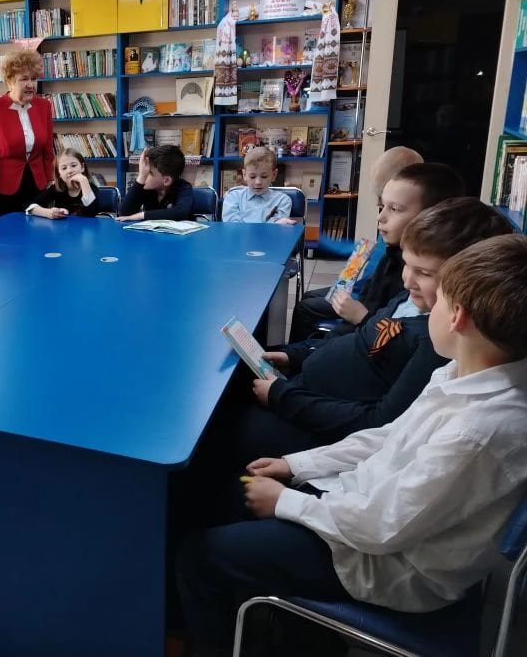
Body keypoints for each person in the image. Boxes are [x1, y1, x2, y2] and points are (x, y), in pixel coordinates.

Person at [176, 233, 527, 656]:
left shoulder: (477, 431)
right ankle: (290, 630)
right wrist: (296, 465)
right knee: (219, 495)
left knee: (199, 556)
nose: (425, 306)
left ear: (458, 318)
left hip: (384, 564)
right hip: (356, 508)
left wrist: (285, 502)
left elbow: (381, 528)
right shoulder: (461, 371)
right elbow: (387, 437)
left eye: (438, 302)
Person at [239, 198, 512, 463]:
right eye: (407, 264)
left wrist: (282, 398)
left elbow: (380, 422)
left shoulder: (439, 342)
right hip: (302, 391)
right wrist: (296, 356)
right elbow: (358, 338)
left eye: (425, 273)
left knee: (230, 426)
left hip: (320, 430)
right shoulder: (408, 301)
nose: (407, 280)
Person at [288, 160, 464, 342]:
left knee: (305, 308)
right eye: (382, 205)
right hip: (357, 318)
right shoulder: (391, 251)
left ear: (430, 217)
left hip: (360, 324)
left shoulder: (408, 276)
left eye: (394, 208)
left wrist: (361, 318)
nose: (380, 217)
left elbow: (385, 338)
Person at [0, 49, 54, 217]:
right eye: (24, 79)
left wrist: (51, 182)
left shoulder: (44, 106)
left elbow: (48, 151)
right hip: (5, 190)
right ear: (10, 81)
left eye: (34, 79)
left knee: (39, 231)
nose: (30, 85)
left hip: (38, 188)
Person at [116, 145, 194, 222]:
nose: (144, 174)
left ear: (166, 180)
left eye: (149, 172)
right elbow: (124, 213)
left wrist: (142, 215)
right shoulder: (146, 187)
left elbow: (181, 213)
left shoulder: (183, 187)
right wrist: (141, 178)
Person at [221, 146, 295, 224]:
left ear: (274, 175)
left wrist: (277, 224)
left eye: (264, 176)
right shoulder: (233, 197)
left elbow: (275, 228)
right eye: (252, 177)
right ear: (244, 175)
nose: (258, 182)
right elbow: (232, 225)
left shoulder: (283, 200)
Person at [26, 149, 101, 219]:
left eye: (74, 165)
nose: (69, 171)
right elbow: (28, 205)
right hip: (62, 228)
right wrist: (47, 212)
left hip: (85, 228)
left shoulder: (91, 188)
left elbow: (91, 213)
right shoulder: (56, 188)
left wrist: (84, 181)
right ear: (59, 174)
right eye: (64, 168)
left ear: (82, 167)